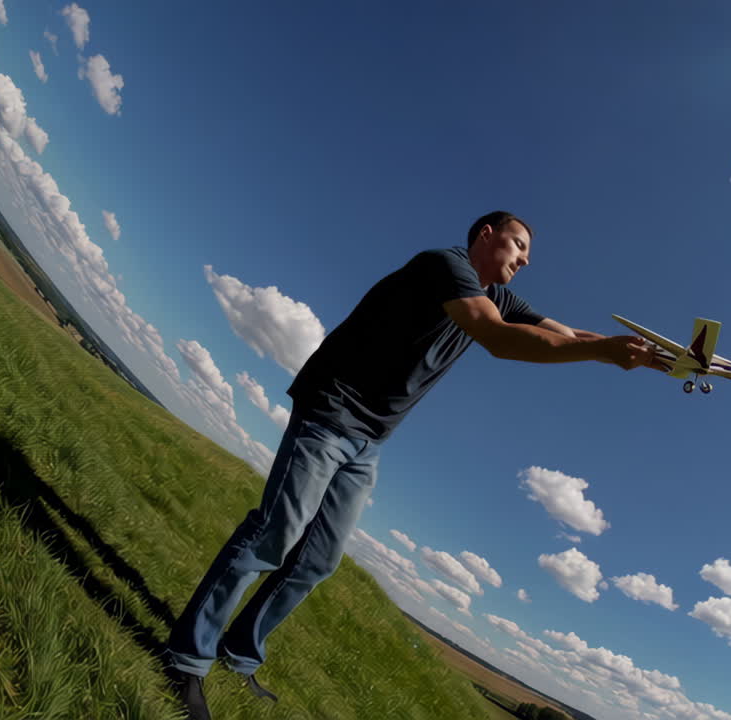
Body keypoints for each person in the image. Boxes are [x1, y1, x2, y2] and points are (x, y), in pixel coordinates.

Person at [163, 211, 666, 718]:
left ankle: (240, 654)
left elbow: (567, 333)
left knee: (317, 560)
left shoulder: (502, 298)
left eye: (528, 253)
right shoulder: (445, 266)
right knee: (274, 534)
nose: (525, 259)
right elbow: (497, 338)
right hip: (331, 409)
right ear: (486, 235)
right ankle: (186, 658)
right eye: (518, 245)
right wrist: (605, 352)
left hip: (369, 441)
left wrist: (651, 357)